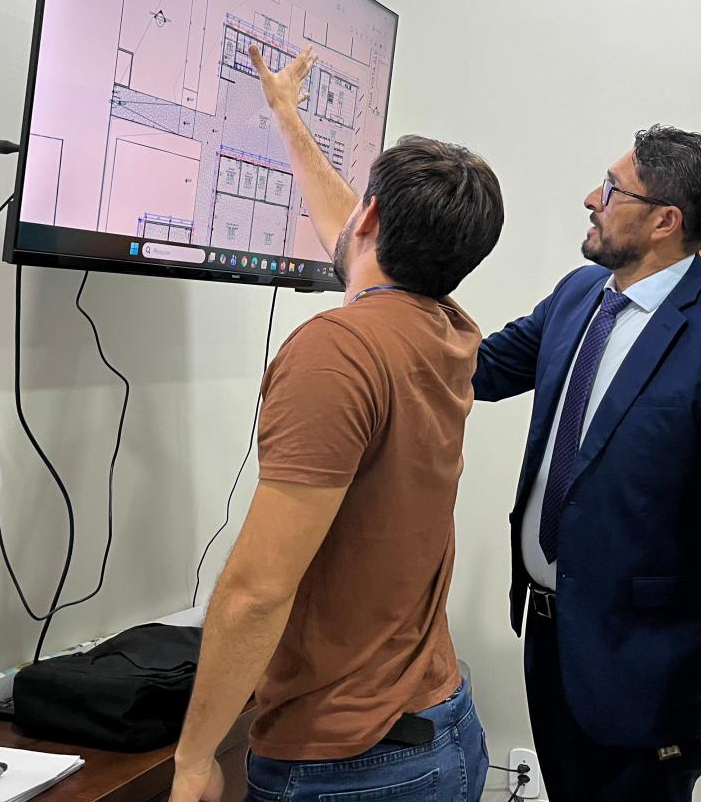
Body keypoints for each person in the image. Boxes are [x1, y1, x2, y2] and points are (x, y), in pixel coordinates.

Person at [170, 44, 502, 802]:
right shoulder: (446, 326)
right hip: (440, 729)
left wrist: (193, 758)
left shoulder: (338, 349)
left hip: (350, 764)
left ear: (372, 217)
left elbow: (257, 590)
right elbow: (348, 229)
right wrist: (287, 117)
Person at [473, 125, 701, 802]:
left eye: (612, 189)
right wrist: (387, 278)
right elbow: (477, 367)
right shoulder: (577, 296)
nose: (592, 198)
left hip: (643, 676)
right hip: (547, 637)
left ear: (665, 221)